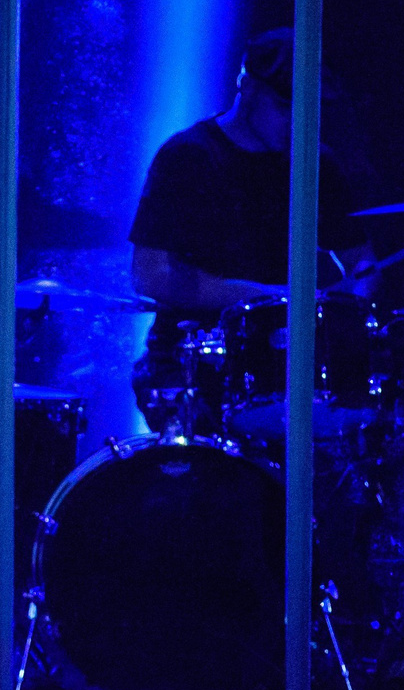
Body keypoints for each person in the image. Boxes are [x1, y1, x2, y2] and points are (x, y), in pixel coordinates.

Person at [129, 27, 374, 425]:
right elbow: (149, 275)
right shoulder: (187, 157)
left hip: (297, 364)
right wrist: (269, 300)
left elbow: (364, 264)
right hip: (194, 363)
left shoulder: (317, 164)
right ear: (247, 88)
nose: (297, 121)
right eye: (284, 106)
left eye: (307, 109)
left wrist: (345, 313)